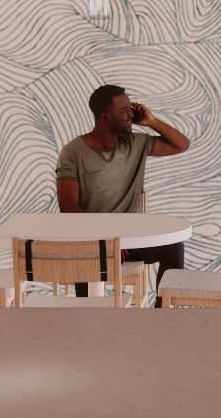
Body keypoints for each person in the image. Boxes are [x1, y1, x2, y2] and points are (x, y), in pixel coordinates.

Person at [56, 84, 191, 303]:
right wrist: (105, 239)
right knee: (88, 299)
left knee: (173, 247)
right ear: (105, 116)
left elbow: (181, 145)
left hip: (128, 242)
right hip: (92, 240)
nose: (132, 114)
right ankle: (87, 313)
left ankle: (164, 315)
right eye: (125, 109)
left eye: (131, 108)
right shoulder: (73, 152)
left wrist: (152, 122)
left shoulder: (135, 144)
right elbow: (68, 206)